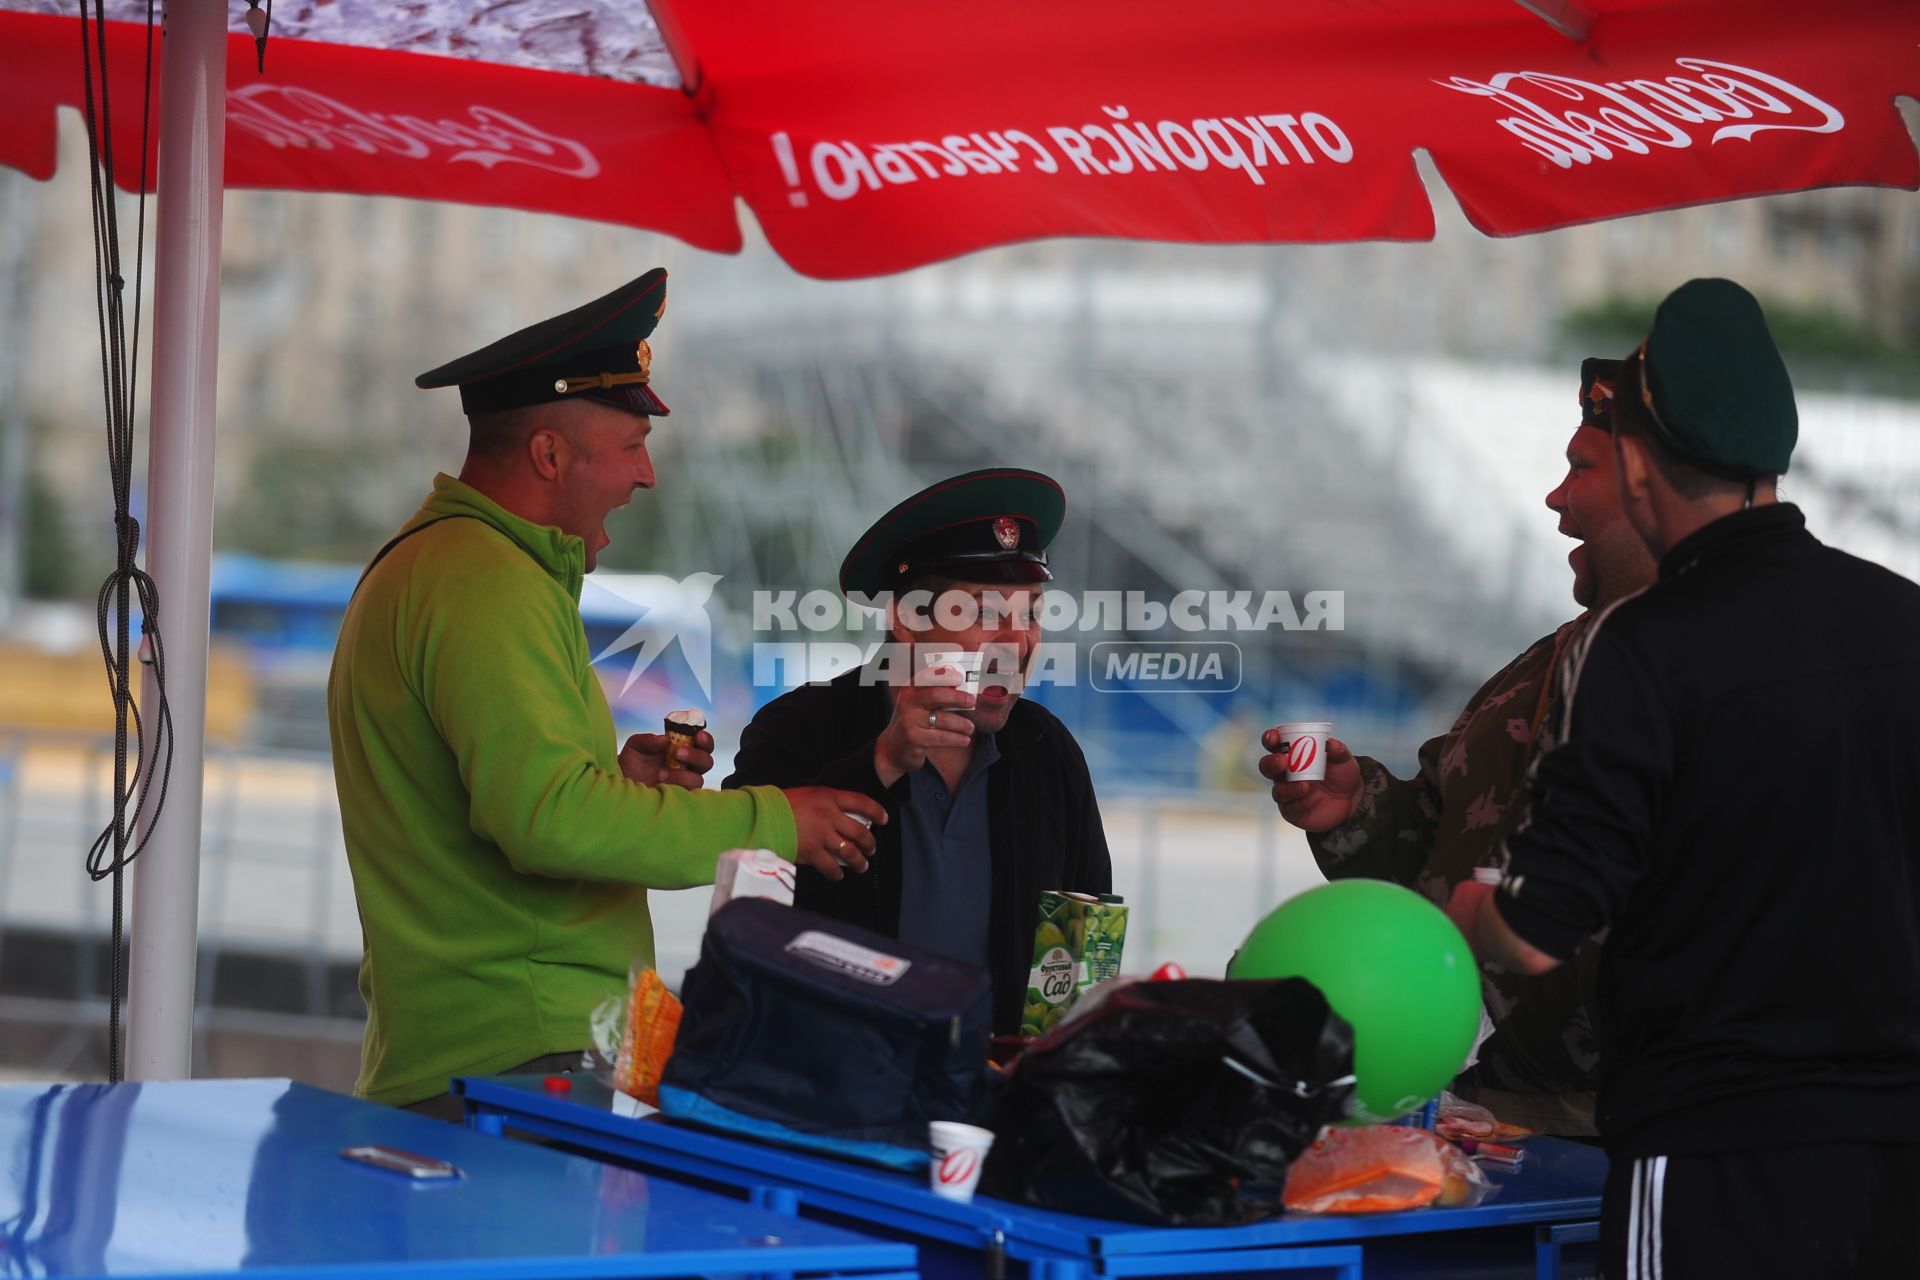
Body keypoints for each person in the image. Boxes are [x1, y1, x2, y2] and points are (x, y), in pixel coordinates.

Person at [328, 269, 884, 1118]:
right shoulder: (488, 583)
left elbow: (520, 800)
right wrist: (778, 820)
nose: (647, 475)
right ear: (549, 453)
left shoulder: (446, 567)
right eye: (631, 445)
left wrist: (616, 781)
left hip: (488, 1054)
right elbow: (546, 820)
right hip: (520, 1061)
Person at [1448, 278, 1920, 1276]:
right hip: (1897, 1152)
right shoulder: (1902, 618)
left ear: (1639, 461)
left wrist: (1471, 909)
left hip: (1716, 1150)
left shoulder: (1644, 647)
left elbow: (1540, 931)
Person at [1259, 358, 1656, 1137]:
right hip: (1493, 1100)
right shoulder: (1554, 658)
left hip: (1625, 1121)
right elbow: (1443, 828)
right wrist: (1356, 808)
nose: (1555, 497)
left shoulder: (1714, 676)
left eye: (1581, 468)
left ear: (1653, 486)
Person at [724, 468, 1112, 1033]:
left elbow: (1085, 943)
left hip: (989, 1096)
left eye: (1031, 611)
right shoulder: (799, 730)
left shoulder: (1047, 751)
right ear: (906, 620)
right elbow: (744, 913)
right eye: (984, 611)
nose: (1018, 640)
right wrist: (877, 765)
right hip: (823, 1091)